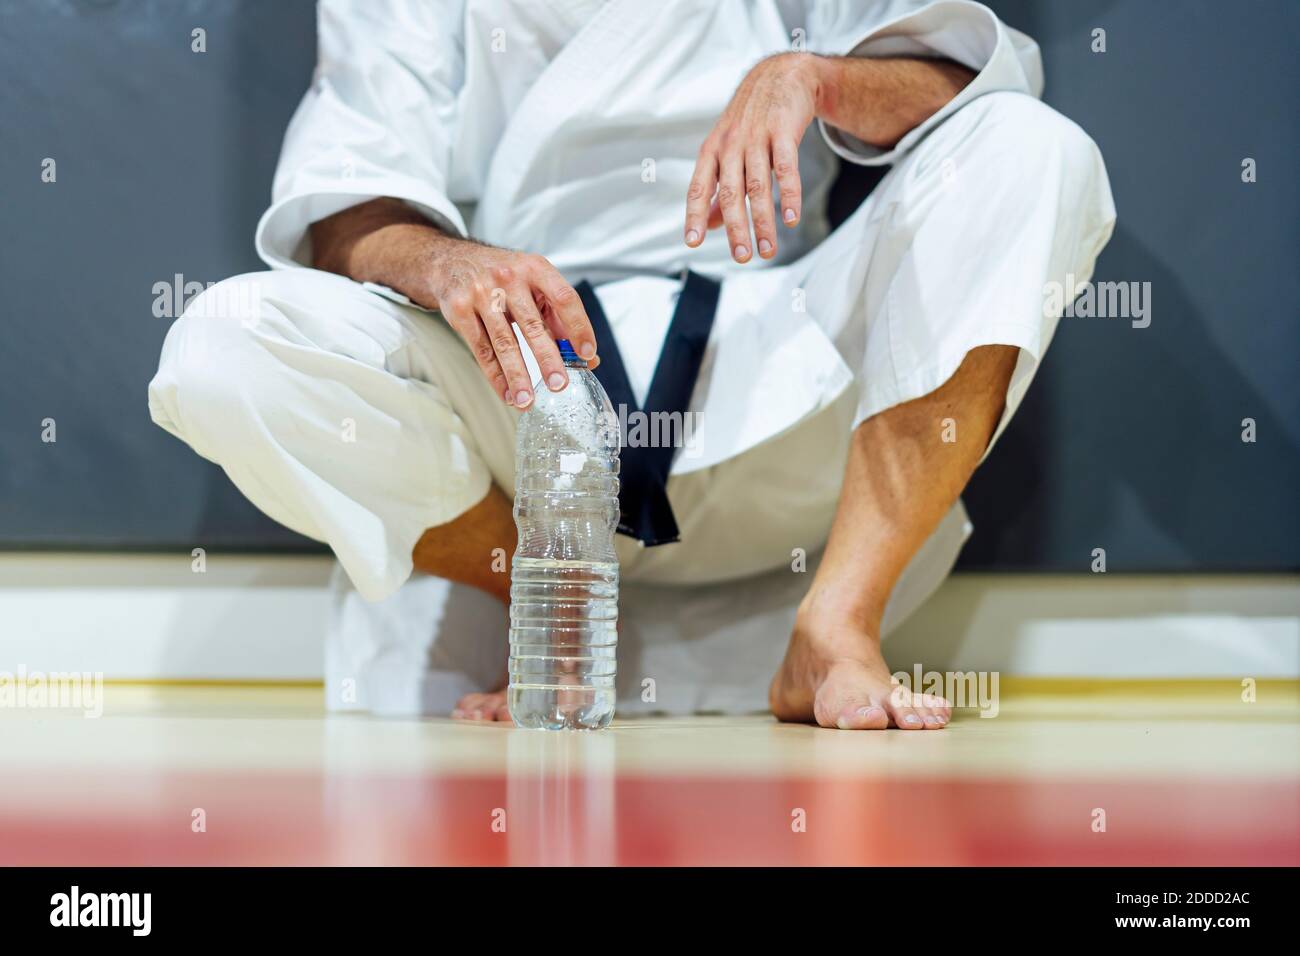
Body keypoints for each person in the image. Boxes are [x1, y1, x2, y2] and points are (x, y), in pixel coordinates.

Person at [148, 0, 1115, 729]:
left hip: (776, 367)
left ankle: (835, 627)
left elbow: (963, 84)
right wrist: (445, 264)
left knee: (1035, 150)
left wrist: (814, 77)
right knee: (224, 343)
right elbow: (345, 188)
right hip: (518, 401)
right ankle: (549, 617)